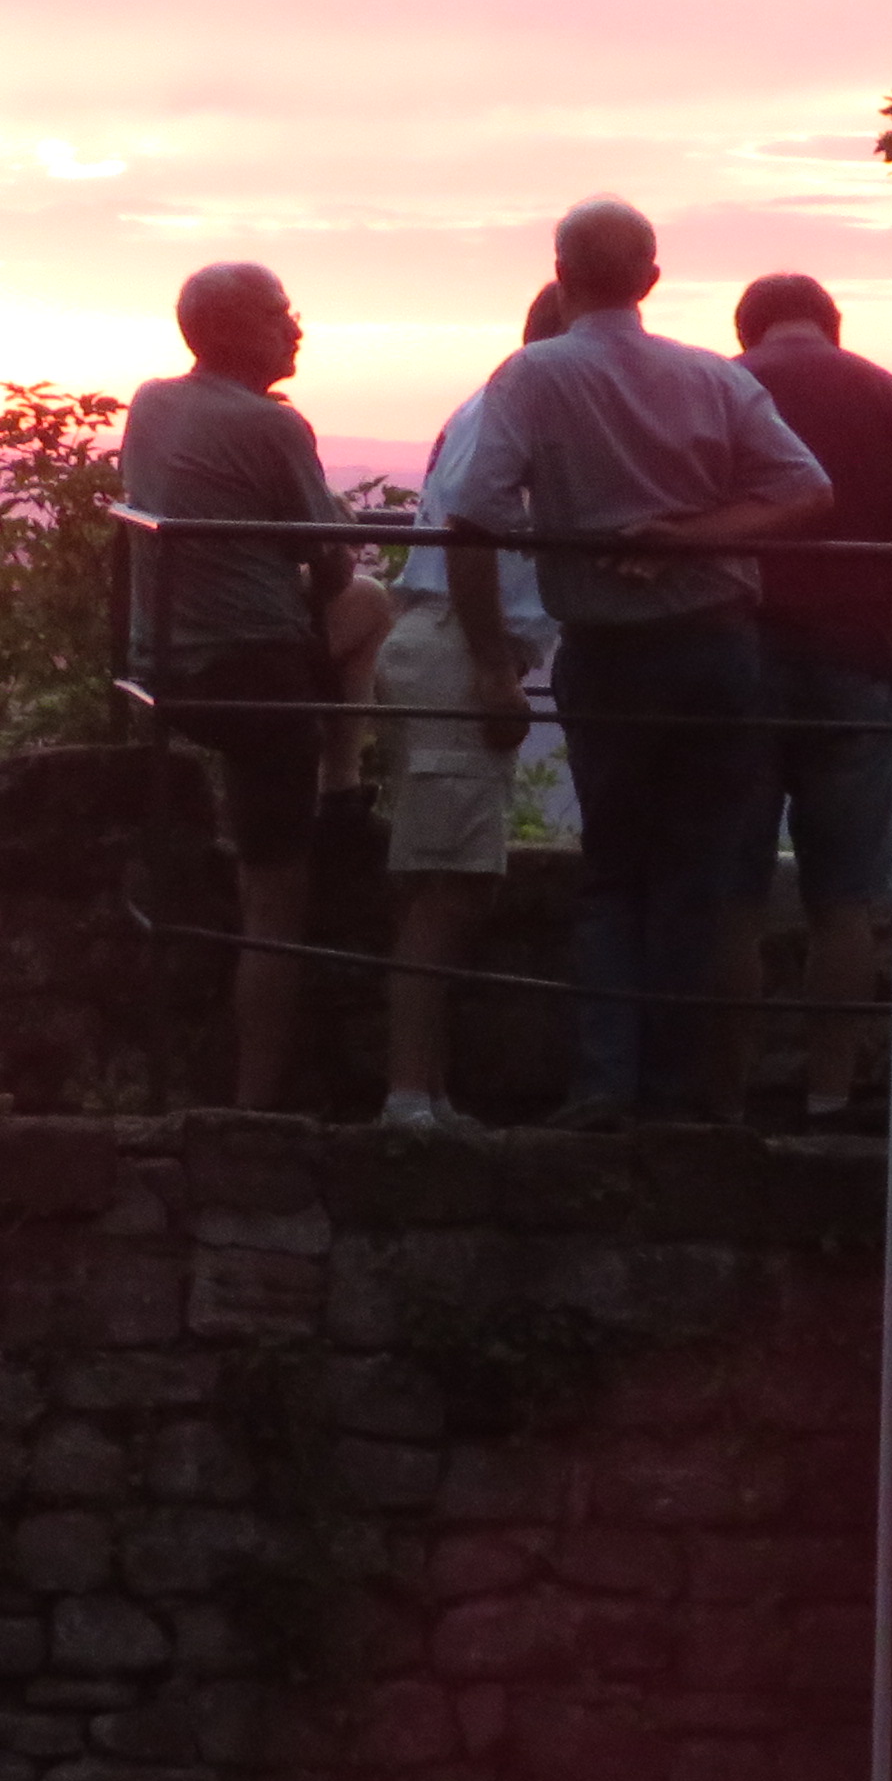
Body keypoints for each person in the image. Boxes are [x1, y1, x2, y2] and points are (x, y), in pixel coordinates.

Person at [434, 199, 829, 1126]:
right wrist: (696, 536)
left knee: (614, 871)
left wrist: (491, 662)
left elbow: (473, 516)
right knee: (700, 873)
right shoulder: (711, 377)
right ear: (652, 278)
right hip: (718, 649)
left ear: (561, 275)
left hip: (608, 654)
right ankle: (682, 1096)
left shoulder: (532, 376)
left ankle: (607, 1086)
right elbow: (807, 491)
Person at [119, 259, 367, 1110]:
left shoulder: (152, 403)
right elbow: (331, 566)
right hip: (256, 676)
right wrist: (332, 531)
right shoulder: (273, 426)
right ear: (231, 329)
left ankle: (341, 785)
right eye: (278, 313)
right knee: (274, 905)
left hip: (165, 660)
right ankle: (255, 1108)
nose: (296, 327)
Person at [727, 275, 892, 1129]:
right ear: (832, 324)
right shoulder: (888, 396)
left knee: (732, 891)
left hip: (740, 660)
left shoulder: (724, 388)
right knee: (844, 896)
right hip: (856, 661)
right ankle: (831, 1093)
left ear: (746, 329)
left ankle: (724, 1092)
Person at [366, 287, 573, 1137]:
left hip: (445, 644)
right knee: (445, 886)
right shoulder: (512, 411)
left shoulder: (491, 407)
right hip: (457, 650)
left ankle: (429, 1092)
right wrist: (492, 667)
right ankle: (409, 1096)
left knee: (450, 876)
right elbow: (469, 537)